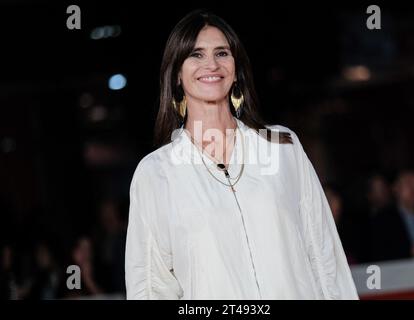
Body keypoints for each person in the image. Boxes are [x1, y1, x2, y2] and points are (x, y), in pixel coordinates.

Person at [125, 9, 358, 300]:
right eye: (196, 55)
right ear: (176, 75)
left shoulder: (282, 147)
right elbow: (151, 286)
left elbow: (324, 256)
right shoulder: (156, 173)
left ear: (236, 70)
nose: (211, 63)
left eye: (222, 53)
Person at [370, 170, 414, 261]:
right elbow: (378, 256)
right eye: (409, 184)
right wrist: (409, 254)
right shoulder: (382, 221)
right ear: (395, 188)